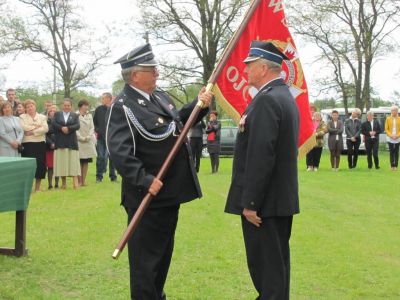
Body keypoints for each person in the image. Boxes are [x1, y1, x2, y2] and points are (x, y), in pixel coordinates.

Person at [106, 43, 212, 300]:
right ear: (134, 75)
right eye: (151, 69)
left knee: (162, 258)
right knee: (145, 265)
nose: (157, 73)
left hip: (167, 195)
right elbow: (119, 151)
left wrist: (199, 105)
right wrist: (144, 179)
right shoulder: (124, 106)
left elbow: (176, 124)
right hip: (147, 196)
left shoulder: (160, 97)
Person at [225, 41, 299, 300]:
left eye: (249, 65)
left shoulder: (268, 100)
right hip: (278, 201)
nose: (244, 70)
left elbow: (261, 157)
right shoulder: (282, 96)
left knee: (268, 276)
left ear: (264, 68)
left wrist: (251, 203)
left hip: (265, 205)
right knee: (275, 272)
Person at [19, 99, 48, 191]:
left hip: (40, 144)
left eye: (31, 106)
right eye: (27, 107)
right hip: (27, 145)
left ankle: (37, 188)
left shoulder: (42, 117)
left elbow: (45, 128)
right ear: (25, 109)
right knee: (28, 166)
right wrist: (36, 127)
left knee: (39, 165)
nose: (30, 108)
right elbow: (23, 127)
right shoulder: (22, 117)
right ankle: (28, 188)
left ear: (35, 106)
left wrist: (32, 132)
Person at [53, 98, 81, 189]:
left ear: (71, 106)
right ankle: (63, 183)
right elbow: (54, 124)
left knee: (73, 163)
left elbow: (77, 125)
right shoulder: (57, 114)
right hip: (60, 141)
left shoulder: (75, 115)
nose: (66, 107)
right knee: (62, 163)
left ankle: (75, 183)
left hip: (71, 142)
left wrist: (68, 128)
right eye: (65, 105)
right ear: (62, 106)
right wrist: (61, 128)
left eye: (68, 105)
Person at [93, 92, 117, 183]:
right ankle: (99, 176)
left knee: (112, 157)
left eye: (103, 98)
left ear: (109, 99)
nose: (102, 100)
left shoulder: (114, 109)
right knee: (100, 157)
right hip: (101, 138)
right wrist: (98, 130)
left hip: (112, 138)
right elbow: (95, 122)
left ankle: (113, 177)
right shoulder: (99, 109)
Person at [76, 99, 97, 186]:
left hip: (88, 141)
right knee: (79, 162)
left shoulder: (89, 115)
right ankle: (79, 181)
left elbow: (92, 127)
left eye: (87, 105)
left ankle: (83, 181)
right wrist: (81, 138)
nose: (86, 107)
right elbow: (75, 128)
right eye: (85, 105)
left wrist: (89, 136)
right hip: (79, 141)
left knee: (86, 162)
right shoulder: (75, 115)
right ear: (81, 106)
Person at [45, 104, 59, 189]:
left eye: (54, 111)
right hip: (48, 146)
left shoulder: (60, 122)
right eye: (51, 111)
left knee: (57, 165)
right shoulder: (45, 121)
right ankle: (50, 184)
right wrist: (50, 143)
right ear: (48, 112)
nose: (52, 112)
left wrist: (56, 143)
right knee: (50, 166)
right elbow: (44, 134)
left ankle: (57, 184)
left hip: (58, 145)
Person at [385, 105, 400, 171]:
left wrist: (397, 135)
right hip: (390, 138)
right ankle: (392, 166)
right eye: (392, 110)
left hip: (398, 137)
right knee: (391, 152)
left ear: (397, 111)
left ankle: (396, 166)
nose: (393, 112)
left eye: (394, 110)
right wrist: (391, 135)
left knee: (396, 152)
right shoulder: (388, 118)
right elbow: (386, 128)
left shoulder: (399, 119)